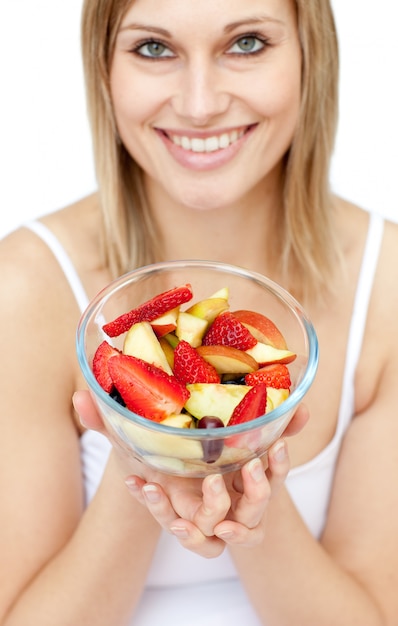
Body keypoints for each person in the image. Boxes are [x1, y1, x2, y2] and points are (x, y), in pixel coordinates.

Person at [1, 0, 397, 624]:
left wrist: (250, 480)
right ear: (103, 68)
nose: (199, 103)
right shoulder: (23, 285)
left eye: (246, 44)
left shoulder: (388, 283)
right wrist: (144, 455)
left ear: (309, 56)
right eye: (154, 48)